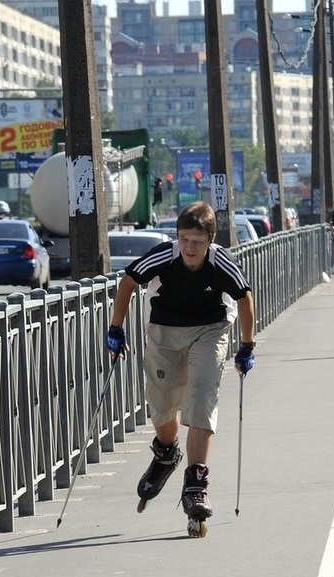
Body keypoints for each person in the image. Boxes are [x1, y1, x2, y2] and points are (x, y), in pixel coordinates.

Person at [105, 201, 255, 532]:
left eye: (198, 242)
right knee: (162, 409)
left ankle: (196, 484)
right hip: (163, 332)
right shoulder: (163, 256)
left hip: (209, 330)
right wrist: (116, 329)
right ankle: (166, 453)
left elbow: (244, 298)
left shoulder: (221, 263)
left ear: (211, 240)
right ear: (177, 237)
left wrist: (246, 346)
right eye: (185, 239)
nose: (190, 248)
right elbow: (128, 282)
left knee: (201, 395)